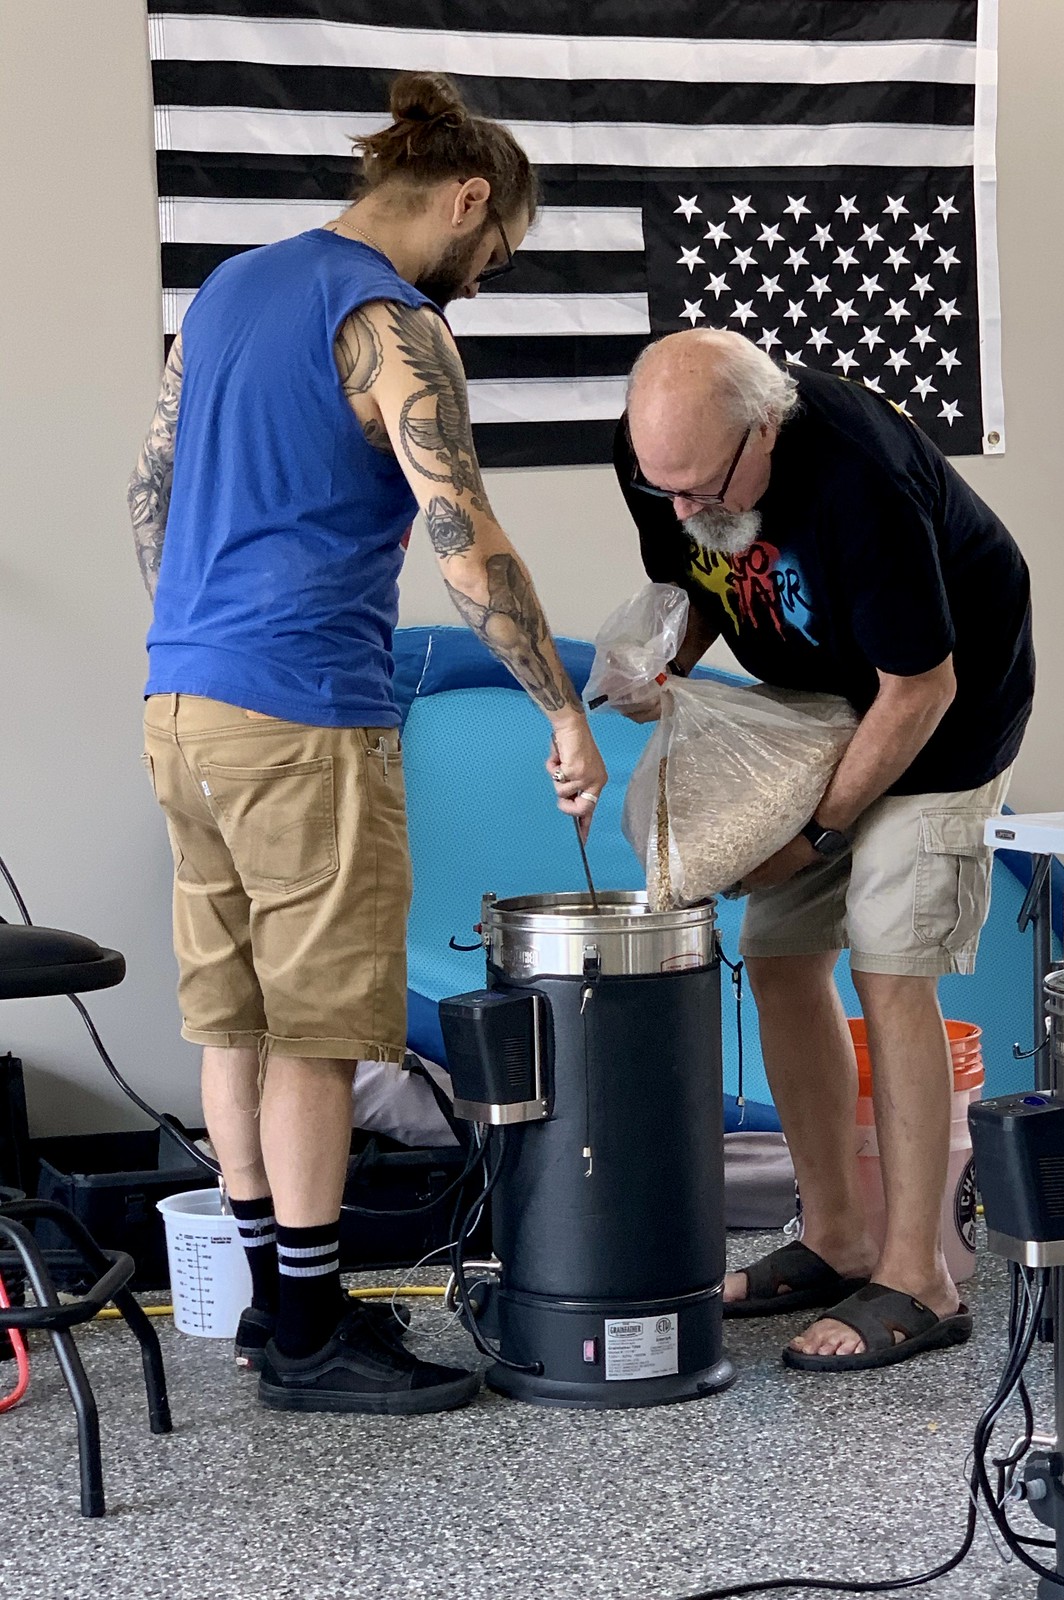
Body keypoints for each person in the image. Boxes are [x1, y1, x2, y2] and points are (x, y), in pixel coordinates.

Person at [128, 71, 606, 1415]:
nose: (484, 278)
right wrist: (560, 709)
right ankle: (312, 1333)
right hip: (300, 714)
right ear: (465, 198)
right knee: (318, 1032)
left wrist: (200, 634)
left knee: (234, 1016)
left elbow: (149, 487)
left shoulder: (227, 290)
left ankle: (269, 1307)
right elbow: (466, 538)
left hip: (183, 702)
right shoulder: (390, 322)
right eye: (495, 249)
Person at [613, 329, 1033, 1373]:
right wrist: (660, 665)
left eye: (700, 485)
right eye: (661, 487)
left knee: (891, 965)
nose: (679, 509)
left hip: (943, 715)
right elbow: (701, 586)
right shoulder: (666, 459)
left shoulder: (858, 476)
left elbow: (920, 687)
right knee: (779, 955)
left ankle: (920, 1278)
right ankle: (837, 1237)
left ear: (764, 430)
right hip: (815, 709)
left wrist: (813, 837)